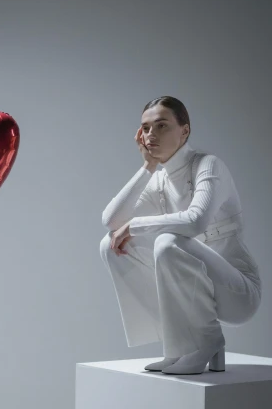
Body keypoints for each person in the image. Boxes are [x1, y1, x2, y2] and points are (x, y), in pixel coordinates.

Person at [100, 95, 262, 375]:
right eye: (146, 128)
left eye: (162, 126)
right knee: (111, 246)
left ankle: (207, 340)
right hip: (197, 289)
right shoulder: (160, 179)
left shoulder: (208, 165)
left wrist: (136, 224)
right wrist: (148, 167)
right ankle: (178, 347)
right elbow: (111, 221)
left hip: (238, 292)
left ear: (184, 131)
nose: (151, 134)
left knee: (168, 241)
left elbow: (196, 221)